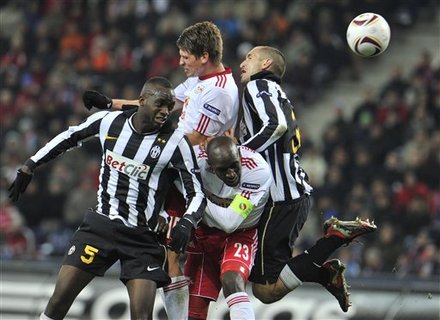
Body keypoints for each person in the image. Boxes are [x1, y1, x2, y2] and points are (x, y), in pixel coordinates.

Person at [8, 76, 206, 320]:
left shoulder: (175, 143)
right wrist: (30, 164)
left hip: (141, 240)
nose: (166, 111)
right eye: (160, 104)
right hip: (100, 228)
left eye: (169, 106)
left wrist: (188, 222)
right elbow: (70, 136)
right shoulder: (108, 122)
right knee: (58, 303)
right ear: (142, 101)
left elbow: (196, 193)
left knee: (142, 316)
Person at [83, 20, 239, 319]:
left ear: (204, 55)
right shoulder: (199, 79)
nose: (180, 62)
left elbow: (194, 139)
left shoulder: (219, 92)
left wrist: (148, 145)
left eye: (186, 57)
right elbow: (161, 103)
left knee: (171, 254)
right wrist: (111, 103)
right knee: (167, 253)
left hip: (188, 175)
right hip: (171, 168)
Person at [237, 46, 377, 312]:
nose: (243, 61)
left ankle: (334, 240)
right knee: (264, 284)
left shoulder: (259, 86)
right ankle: (323, 271)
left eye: (250, 57)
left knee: (265, 291)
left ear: (266, 64)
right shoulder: (277, 93)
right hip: (291, 195)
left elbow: (275, 126)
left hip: (280, 198)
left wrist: (240, 152)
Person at [185, 136, 272, 320]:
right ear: (210, 166)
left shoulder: (257, 170)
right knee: (193, 310)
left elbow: (228, 223)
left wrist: (196, 198)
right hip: (204, 235)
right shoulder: (195, 161)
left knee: (232, 281)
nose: (231, 174)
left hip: (241, 234)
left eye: (234, 165)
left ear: (239, 156)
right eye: (223, 170)